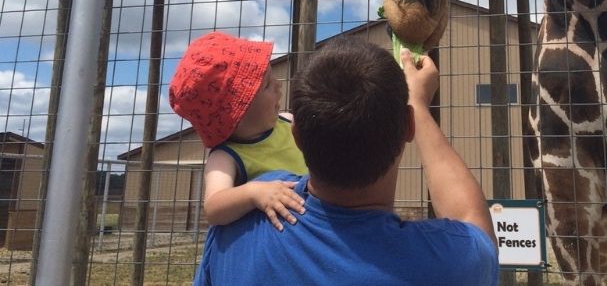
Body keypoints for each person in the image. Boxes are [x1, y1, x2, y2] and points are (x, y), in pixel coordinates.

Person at [193, 37, 499, 286]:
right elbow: (475, 226)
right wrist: (418, 106)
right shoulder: (447, 263)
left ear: (296, 134)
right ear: (408, 127)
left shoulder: (239, 223)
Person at [169, 31, 307, 230]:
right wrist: (253, 193)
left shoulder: (287, 121)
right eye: (267, 84)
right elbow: (214, 207)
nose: (278, 85)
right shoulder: (227, 156)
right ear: (237, 112)